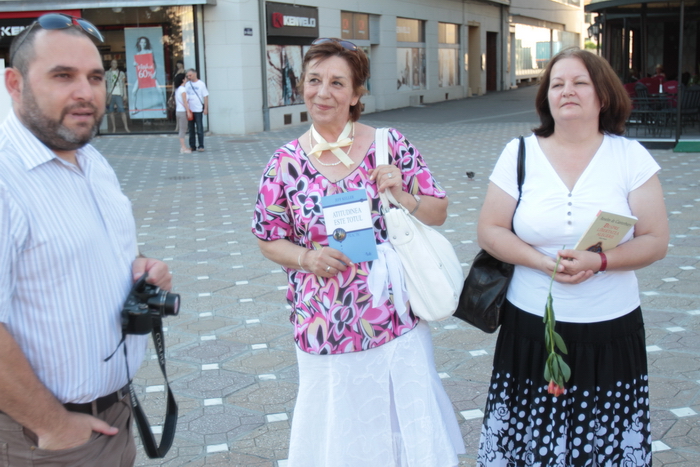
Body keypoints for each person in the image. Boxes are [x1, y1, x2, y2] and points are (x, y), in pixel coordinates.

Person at [251, 38, 465, 467]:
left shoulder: (389, 143)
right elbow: (267, 237)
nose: (322, 92)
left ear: (355, 94)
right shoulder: (284, 162)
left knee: (399, 426)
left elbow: (438, 210)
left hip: (393, 322)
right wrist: (307, 258)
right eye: (314, 80)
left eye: (337, 83)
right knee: (339, 435)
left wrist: (402, 194)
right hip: (323, 325)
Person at [476, 47, 668, 466]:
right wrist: (541, 262)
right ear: (546, 97)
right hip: (531, 326)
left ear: (603, 95)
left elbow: (655, 240)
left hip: (610, 328)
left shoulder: (630, 156)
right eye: (557, 84)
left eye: (580, 82)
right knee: (532, 441)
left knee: (606, 443)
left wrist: (600, 262)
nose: (567, 91)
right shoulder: (519, 152)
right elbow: (490, 229)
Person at [0, 14, 172, 466]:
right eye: (63, 76)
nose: (86, 92)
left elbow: (86, 251)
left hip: (112, 412)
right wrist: (53, 426)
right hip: (41, 437)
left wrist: (140, 265)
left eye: (95, 77)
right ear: (15, 83)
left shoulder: (91, 159)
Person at [131, 36, 167, 117]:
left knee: (160, 91)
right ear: (139, 43)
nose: (143, 44)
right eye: (141, 42)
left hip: (150, 73)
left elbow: (154, 63)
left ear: (146, 43)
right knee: (133, 91)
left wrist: (155, 72)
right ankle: (134, 108)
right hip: (142, 74)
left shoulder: (150, 52)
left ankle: (164, 106)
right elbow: (137, 64)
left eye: (144, 42)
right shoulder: (138, 54)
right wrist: (135, 64)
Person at [185, 68, 208, 152]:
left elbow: (205, 96)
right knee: (191, 129)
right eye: (187, 76)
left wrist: (205, 108)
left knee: (199, 128)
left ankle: (201, 145)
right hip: (190, 110)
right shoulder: (187, 84)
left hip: (198, 109)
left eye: (190, 75)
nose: (189, 77)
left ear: (195, 74)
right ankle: (192, 146)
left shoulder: (201, 84)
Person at [105, 59, 130, 133]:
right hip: (110, 94)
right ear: (111, 64)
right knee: (111, 111)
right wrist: (105, 95)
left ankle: (126, 127)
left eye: (116, 63)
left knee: (122, 111)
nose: (114, 64)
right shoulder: (107, 73)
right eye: (113, 63)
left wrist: (125, 94)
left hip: (119, 93)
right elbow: (105, 85)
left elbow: (124, 85)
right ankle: (114, 128)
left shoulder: (121, 73)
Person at [174, 74, 191, 153]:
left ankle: (183, 147)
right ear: (183, 80)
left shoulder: (177, 89)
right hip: (182, 111)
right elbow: (185, 101)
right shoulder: (183, 90)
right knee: (183, 129)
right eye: (185, 78)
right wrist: (188, 111)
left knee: (182, 129)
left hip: (178, 111)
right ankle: (183, 147)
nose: (186, 79)